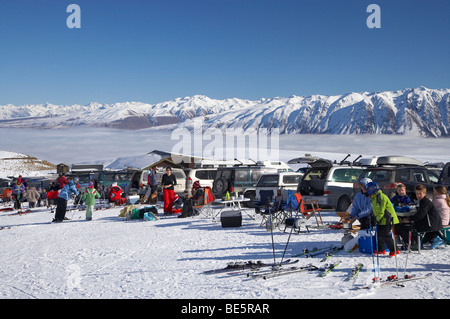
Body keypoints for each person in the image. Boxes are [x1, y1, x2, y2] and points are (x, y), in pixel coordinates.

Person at [366, 181, 400, 257]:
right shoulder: (374, 197)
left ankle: (393, 250)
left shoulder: (380, 197)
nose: (368, 191)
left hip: (388, 218)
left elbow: (381, 210)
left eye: (370, 189)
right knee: (379, 234)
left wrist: (377, 219)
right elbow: (376, 210)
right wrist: (373, 217)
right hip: (382, 219)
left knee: (385, 235)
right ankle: (381, 249)